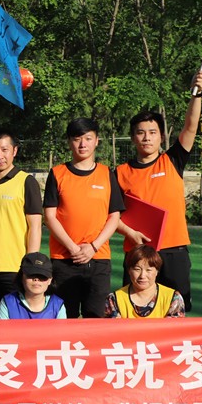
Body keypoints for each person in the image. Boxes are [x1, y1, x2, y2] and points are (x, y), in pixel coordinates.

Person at [115, 71, 202, 312]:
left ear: (162, 137)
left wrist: (197, 94)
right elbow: (110, 215)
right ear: (133, 138)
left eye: (152, 132)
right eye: (140, 132)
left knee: (176, 310)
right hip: (138, 252)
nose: (146, 138)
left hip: (174, 249)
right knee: (134, 311)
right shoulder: (120, 173)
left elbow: (190, 127)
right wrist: (130, 233)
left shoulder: (172, 161)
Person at [43, 118, 124, 319]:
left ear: (96, 141)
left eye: (88, 138)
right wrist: (72, 248)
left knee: (96, 319)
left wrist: (93, 247)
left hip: (98, 259)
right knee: (64, 319)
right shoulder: (57, 174)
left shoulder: (107, 174)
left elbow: (114, 216)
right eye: (77, 139)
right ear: (69, 141)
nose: (82, 144)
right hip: (64, 260)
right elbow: (50, 217)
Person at [0, 128, 43, 319]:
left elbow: (35, 226)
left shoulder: (26, 182)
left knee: (17, 323)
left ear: (14, 151)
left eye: (4, 150)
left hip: (16, 269)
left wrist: (30, 266)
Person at [105, 245, 186, 318]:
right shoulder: (114, 299)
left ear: (157, 271)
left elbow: (175, 329)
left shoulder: (173, 298)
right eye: (137, 269)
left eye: (148, 270)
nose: (142, 276)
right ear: (129, 270)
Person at [0, 253, 66, 320]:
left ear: (50, 280)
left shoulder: (58, 305)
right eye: (31, 275)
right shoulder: (8, 302)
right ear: (21, 277)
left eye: (42, 276)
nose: (36, 279)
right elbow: (2, 328)